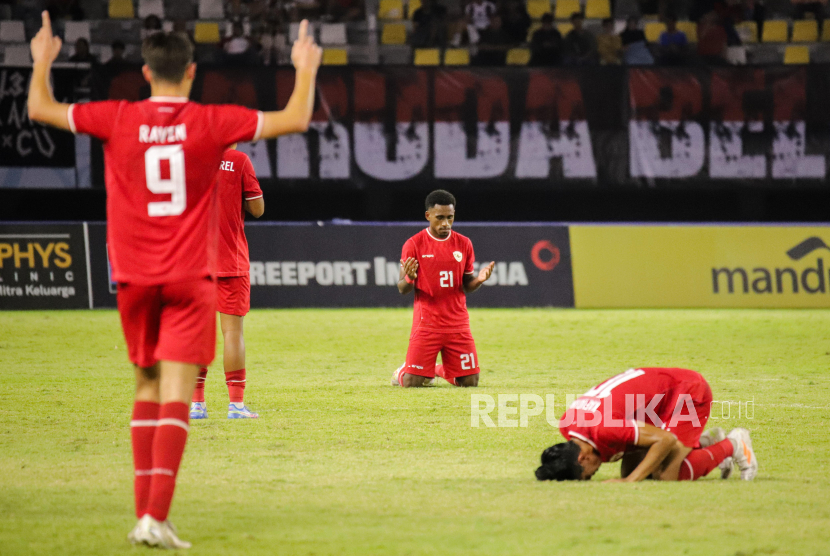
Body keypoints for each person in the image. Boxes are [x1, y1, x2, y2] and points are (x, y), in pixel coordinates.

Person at [28, 12, 321, 548]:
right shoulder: (212, 122)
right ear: (190, 73)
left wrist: (43, 61)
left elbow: (39, 108)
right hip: (190, 277)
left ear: (145, 71)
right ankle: (154, 518)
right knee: (177, 397)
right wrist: (304, 67)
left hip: (135, 277)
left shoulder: (116, 116)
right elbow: (296, 118)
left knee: (146, 386)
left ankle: (145, 515)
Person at [535, 367, 759, 482]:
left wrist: (629, 480)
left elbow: (665, 440)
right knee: (644, 470)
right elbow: (629, 437)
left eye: (587, 474)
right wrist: (633, 474)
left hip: (686, 392)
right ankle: (705, 442)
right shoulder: (568, 425)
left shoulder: (603, 427)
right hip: (656, 403)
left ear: (581, 457)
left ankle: (735, 444)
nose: (593, 474)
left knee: (666, 475)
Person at [391, 190, 494, 388]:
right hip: (427, 324)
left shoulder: (464, 243)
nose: (445, 223)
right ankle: (402, 371)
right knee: (412, 383)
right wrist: (410, 278)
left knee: (470, 382)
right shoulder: (414, 244)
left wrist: (479, 280)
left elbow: (467, 286)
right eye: (440, 218)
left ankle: (435, 370)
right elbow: (402, 289)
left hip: (458, 324)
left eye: (450, 217)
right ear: (428, 216)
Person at [190, 145, 264, 420]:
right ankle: (235, 405)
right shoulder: (239, 161)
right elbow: (257, 208)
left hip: (194, 261)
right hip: (231, 260)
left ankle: (196, 404)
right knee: (232, 332)